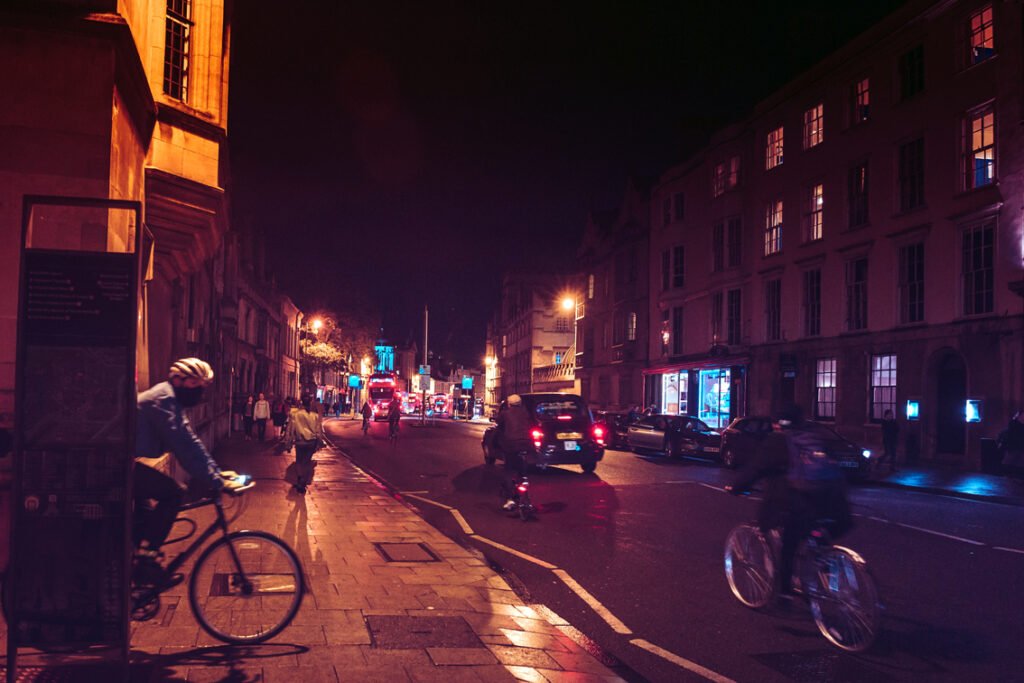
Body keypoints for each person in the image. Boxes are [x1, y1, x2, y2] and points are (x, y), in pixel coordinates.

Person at [134, 358, 246, 586]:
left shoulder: (171, 400)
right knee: (174, 492)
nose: (200, 390)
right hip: (115, 462)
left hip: (125, 460)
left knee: (144, 517)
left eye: (203, 386)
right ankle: (146, 563)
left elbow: (191, 441)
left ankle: (137, 561)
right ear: (178, 379)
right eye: (195, 384)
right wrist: (216, 481)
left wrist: (217, 473)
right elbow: (183, 447)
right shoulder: (162, 399)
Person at [726, 403, 852, 600]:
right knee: (818, 532)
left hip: (796, 504)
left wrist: (736, 486)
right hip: (832, 501)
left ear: (777, 423)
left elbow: (756, 468)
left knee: (789, 542)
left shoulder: (778, 441)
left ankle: (786, 591)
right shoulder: (813, 437)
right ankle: (827, 562)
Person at [496, 394, 533, 510]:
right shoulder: (526, 413)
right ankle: (524, 481)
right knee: (522, 466)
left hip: (511, 445)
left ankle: (510, 499)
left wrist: (499, 443)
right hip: (526, 444)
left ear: (509, 404)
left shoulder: (505, 414)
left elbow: (499, 427)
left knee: (508, 471)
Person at [285, 396, 324, 494]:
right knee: (307, 462)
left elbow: (290, 429)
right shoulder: (315, 416)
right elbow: (318, 431)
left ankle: (300, 480)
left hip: (300, 441)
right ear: (310, 403)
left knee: (299, 461)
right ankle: (302, 481)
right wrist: (320, 442)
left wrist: (288, 442)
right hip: (311, 442)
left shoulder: (296, 414)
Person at [999, 410, 1024, 478]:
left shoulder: (1014, 424)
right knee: (1009, 463)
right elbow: (1010, 435)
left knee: (1017, 465)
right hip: (1013, 448)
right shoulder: (1013, 425)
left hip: (1018, 448)